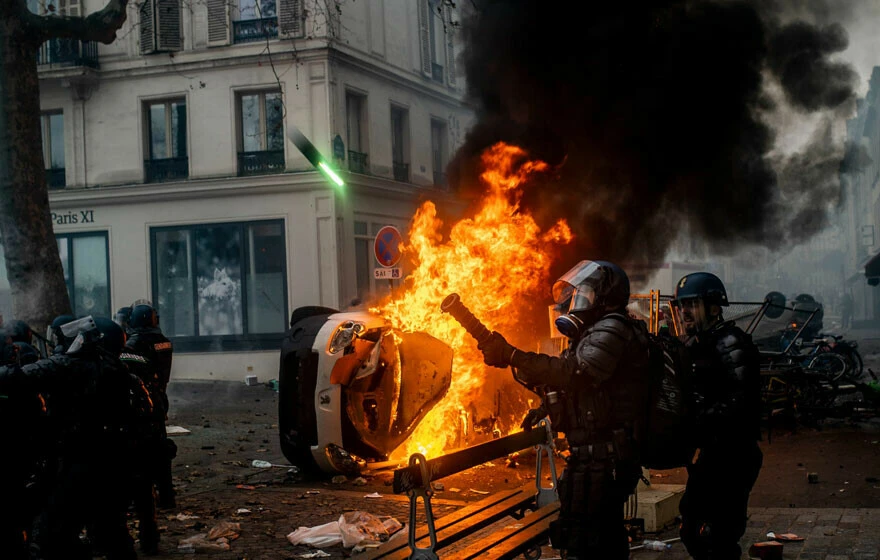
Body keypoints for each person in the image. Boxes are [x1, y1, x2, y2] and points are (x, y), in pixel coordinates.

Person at [476, 260, 650, 559]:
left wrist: (513, 355)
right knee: (581, 535)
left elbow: (573, 373)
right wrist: (545, 407)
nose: (577, 299)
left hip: (606, 457)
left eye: (586, 293)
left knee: (596, 541)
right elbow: (578, 387)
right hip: (590, 455)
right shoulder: (593, 332)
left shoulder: (613, 329)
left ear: (606, 296)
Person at [0, 316, 141, 560]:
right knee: (111, 530)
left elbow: (18, 377)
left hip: (83, 460)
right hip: (114, 458)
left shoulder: (76, 364)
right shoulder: (116, 368)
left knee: (56, 529)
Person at [670, 272, 763, 560]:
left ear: (713, 307)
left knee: (719, 535)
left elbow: (741, 401)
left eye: (692, 304)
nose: (684, 312)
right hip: (711, 452)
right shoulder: (695, 344)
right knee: (691, 526)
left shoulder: (730, 343)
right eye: (681, 305)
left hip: (734, 454)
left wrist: (698, 420)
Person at [125, 303, 176, 508]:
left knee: (141, 450)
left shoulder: (135, 344)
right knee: (161, 449)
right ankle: (167, 496)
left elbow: (128, 366)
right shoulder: (164, 342)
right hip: (160, 399)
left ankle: (142, 498)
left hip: (141, 402)